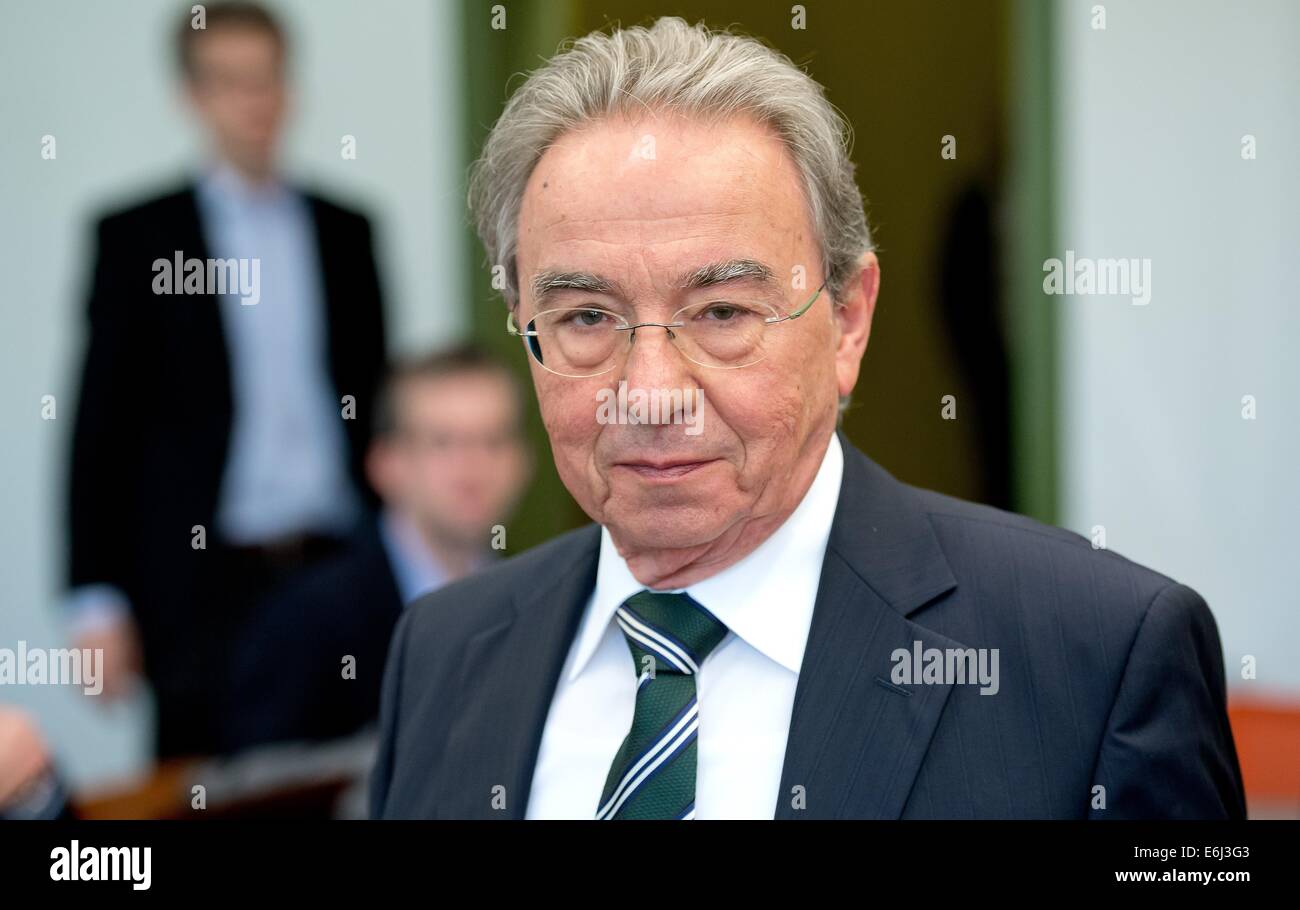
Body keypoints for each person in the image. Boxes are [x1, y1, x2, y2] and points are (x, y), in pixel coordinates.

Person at [370, 18, 1245, 819]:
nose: (650, 391)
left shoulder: (1095, 657)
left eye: (720, 313)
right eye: (587, 319)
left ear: (849, 322)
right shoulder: (446, 653)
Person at [66, 1, 386, 758]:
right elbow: (99, 425)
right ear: (191, 96)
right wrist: (93, 598)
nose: (255, 100)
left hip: (331, 563)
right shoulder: (140, 236)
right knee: (201, 789)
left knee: (349, 778)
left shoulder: (347, 232)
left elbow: (375, 407)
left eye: (268, 78)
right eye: (230, 81)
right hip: (196, 581)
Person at [222, 346, 530, 751]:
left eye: (494, 440)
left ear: (525, 463)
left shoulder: (541, 603)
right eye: (443, 442)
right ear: (385, 465)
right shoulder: (302, 623)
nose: (472, 466)